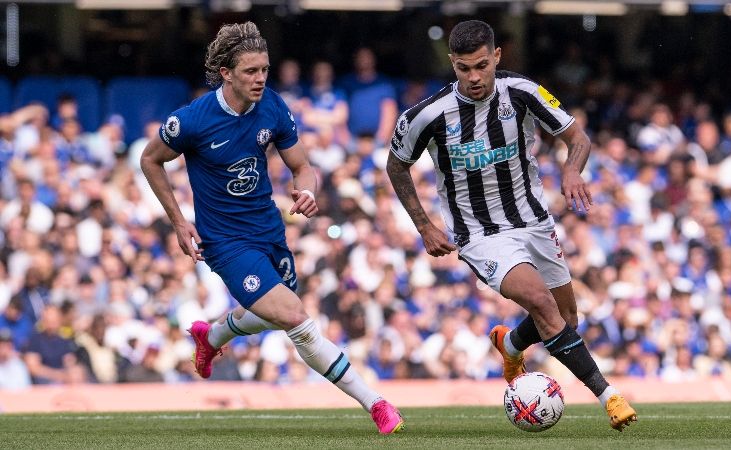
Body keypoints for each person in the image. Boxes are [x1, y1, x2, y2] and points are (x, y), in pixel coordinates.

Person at [140, 21, 403, 434]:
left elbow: (302, 166)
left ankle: (213, 336)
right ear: (226, 73)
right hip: (225, 243)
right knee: (295, 317)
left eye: (264, 69)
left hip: (269, 231)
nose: (261, 78)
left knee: (275, 315)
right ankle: (376, 403)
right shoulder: (192, 120)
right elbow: (149, 160)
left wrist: (308, 190)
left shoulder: (273, 106)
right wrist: (179, 221)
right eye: (250, 71)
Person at [386, 20, 637, 431]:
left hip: (534, 221)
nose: (473, 77)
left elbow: (579, 138)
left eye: (481, 66)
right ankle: (609, 396)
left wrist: (572, 171)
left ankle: (510, 343)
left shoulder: (522, 92)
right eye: (463, 68)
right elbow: (396, 165)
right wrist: (424, 225)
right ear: (452, 64)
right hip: (480, 234)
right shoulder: (427, 115)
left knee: (566, 318)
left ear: (496, 57)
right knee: (540, 302)